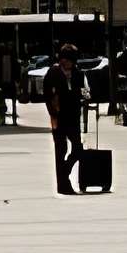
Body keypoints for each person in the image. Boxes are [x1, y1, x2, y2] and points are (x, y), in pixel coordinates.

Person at [44, 49, 87, 193]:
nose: (68, 63)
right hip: (59, 117)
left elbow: (83, 92)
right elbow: (47, 95)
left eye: (71, 61)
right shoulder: (53, 73)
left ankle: (64, 173)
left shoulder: (77, 73)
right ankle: (63, 185)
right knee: (60, 150)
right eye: (66, 60)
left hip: (73, 116)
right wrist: (53, 113)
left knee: (78, 149)